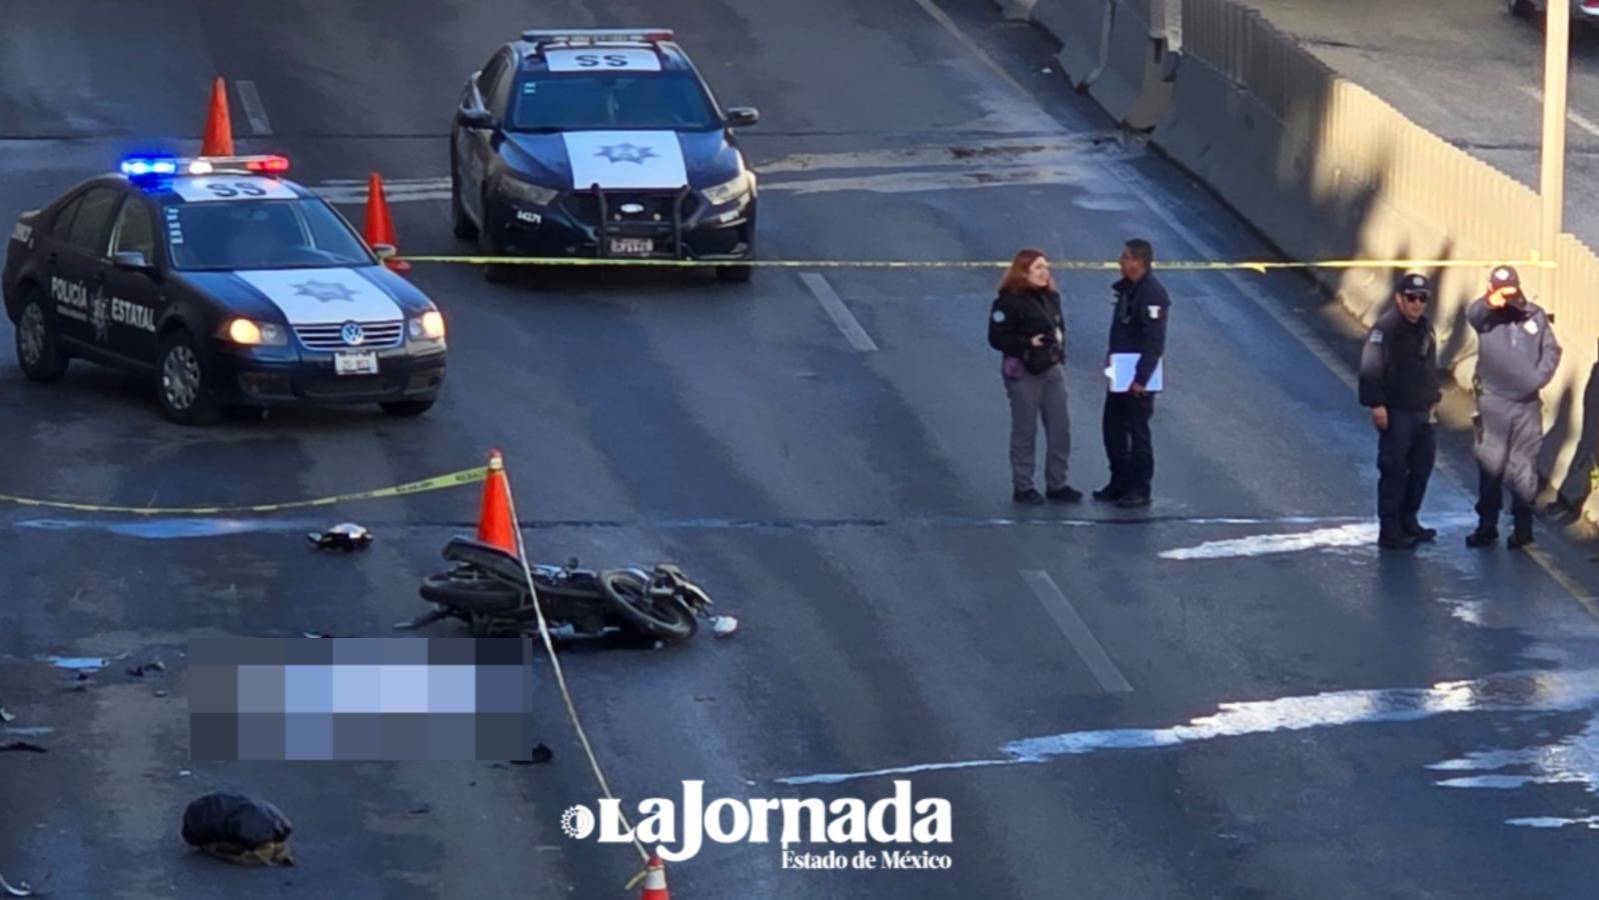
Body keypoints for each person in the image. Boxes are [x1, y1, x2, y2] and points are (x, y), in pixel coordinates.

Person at [1464, 265, 1561, 549]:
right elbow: (1473, 315)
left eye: (1510, 289)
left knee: (1524, 469)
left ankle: (1523, 528)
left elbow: (1552, 350)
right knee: (1490, 465)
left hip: (1527, 405)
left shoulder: (1535, 315)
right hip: (1494, 403)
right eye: (1500, 290)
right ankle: (1487, 526)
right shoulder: (1486, 318)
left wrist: (1536, 379)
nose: (1507, 296)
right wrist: (1488, 304)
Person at [988, 249, 1079, 505]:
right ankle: (1023, 485)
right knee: (1025, 430)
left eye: (1046, 268)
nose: (1044, 272)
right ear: (1023, 271)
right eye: (1038, 268)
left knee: (1060, 428)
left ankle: (1057, 483)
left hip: (1051, 368)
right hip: (1024, 371)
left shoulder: (1051, 298)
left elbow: (1059, 327)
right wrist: (1027, 344)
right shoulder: (1007, 303)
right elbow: (997, 337)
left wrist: (1059, 352)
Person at [1359, 272, 1441, 550]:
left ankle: (1409, 520)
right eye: (1412, 298)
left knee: (1421, 469)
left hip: (1422, 410)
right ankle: (1390, 530)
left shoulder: (1425, 328)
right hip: (1397, 412)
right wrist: (1377, 404)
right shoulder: (1385, 330)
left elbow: (1428, 366)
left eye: (1422, 299)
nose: (1417, 304)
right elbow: (1371, 368)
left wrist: (1434, 398)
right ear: (1399, 298)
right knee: (1394, 470)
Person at [1096, 238, 1169, 508]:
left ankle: (1139, 486)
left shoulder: (1152, 295)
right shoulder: (1129, 290)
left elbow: (1154, 342)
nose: (1121, 261)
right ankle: (1119, 481)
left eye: (1125, 257)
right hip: (1121, 369)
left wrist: (1141, 379)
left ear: (1139, 262)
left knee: (1137, 432)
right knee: (1112, 427)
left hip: (1137, 375)